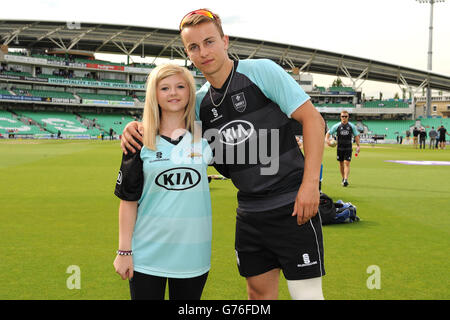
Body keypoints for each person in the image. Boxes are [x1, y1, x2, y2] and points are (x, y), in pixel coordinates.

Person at [120, 8, 325, 300]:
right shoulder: (200, 103)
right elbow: (169, 121)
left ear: (225, 40)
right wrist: (134, 127)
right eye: (193, 46)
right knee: (258, 296)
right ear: (188, 53)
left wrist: (309, 186)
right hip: (250, 213)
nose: (203, 52)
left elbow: (313, 121)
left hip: (292, 203)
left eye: (209, 41)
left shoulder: (261, 71)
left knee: (307, 295)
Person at [113, 64, 212, 300]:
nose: (173, 93)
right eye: (165, 88)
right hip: (147, 253)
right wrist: (123, 251)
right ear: (154, 95)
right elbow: (129, 200)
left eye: (180, 86)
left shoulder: (205, 137)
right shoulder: (139, 140)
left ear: (190, 92)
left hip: (194, 254)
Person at [325, 111, 360, 187]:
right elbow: (328, 133)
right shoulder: (337, 126)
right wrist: (327, 141)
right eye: (342, 116)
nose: (344, 118)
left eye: (346, 116)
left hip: (348, 147)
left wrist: (358, 145)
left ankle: (345, 180)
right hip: (339, 148)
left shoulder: (352, 126)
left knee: (346, 163)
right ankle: (343, 178)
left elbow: (356, 135)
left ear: (348, 117)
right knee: (341, 164)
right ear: (340, 117)